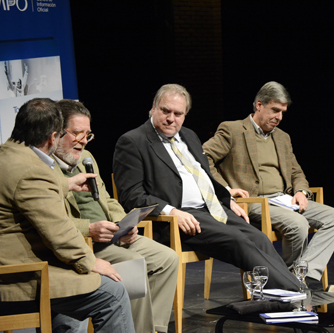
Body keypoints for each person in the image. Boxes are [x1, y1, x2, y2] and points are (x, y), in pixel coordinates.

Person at [113, 83, 300, 291]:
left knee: (259, 238)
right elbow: (131, 196)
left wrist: (227, 198)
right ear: (154, 107)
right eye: (166, 111)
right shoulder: (133, 141)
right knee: (239, 240)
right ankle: (294, 294)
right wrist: (172, 211)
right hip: (177, 219)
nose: (171, 119)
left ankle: (281, 295)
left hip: (212, 209)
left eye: (178, 114)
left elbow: (205, 176)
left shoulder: (189, 136)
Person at [0, 98, 135, 332]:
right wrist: (91, 262)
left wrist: (67, 184)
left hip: (3, 268)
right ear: (53, 136)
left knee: (74, 290)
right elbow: (59, 233)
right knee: (112, 291)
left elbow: (23, 191)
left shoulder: (7, 154)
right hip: (12, 276)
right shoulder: (30, 170)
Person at [52, 99, 179, 333]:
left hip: (112, 234)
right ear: (57, 133)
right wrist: (89, 228)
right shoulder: (46, 169)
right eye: (77, 133)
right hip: (85, 242)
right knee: (133, 267)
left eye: (87, 134)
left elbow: (107, 199)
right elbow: (52, 221)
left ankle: (151, 329)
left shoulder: (86, 158)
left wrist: (124, 223)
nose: (83, 141)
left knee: (167, 258)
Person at [202, 81, 334, 285]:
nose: (279, 117)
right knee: (298, 224)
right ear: (259, 105)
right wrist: (226, 189)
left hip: (284, 199)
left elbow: (296, 171)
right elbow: (202, 157)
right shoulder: (233, 130)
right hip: (253, 202)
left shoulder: (283, 137)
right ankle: (288, 281)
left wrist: (302, 192)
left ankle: (296, 276)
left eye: (283, 112)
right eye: (275, 110)